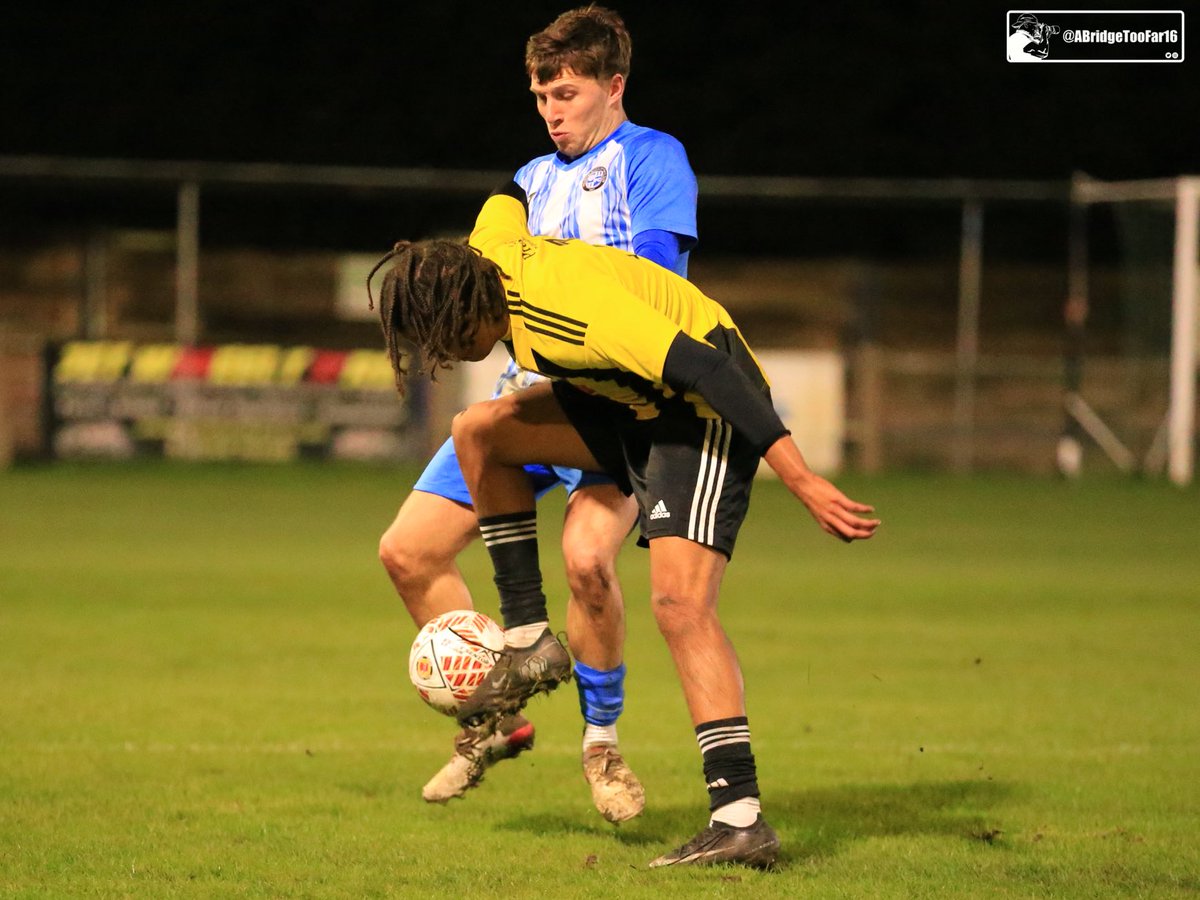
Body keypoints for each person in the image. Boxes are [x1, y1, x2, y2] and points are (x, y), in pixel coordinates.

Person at [367, 184, 880, 868]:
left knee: (680, 605)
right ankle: (529, 636)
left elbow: (712, 371)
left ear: (471, 307)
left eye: (445, 335)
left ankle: (739, 820)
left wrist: (801, 478)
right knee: (479, 430)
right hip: (628, 406)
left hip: (697, 415)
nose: (445, 352)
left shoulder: (569, 320)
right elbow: (506, 195)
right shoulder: (488, 250)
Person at [376, 5, 698, 823]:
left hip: (608, 405)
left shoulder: (653, 160)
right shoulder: (526, 181)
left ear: (612, 86)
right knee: (407, 553)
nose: (553, 111)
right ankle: (497, 715)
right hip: (520, 403)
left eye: (567, 93)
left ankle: (603, 748)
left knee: (589, 562)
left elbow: (650, 286)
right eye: (541, 96)